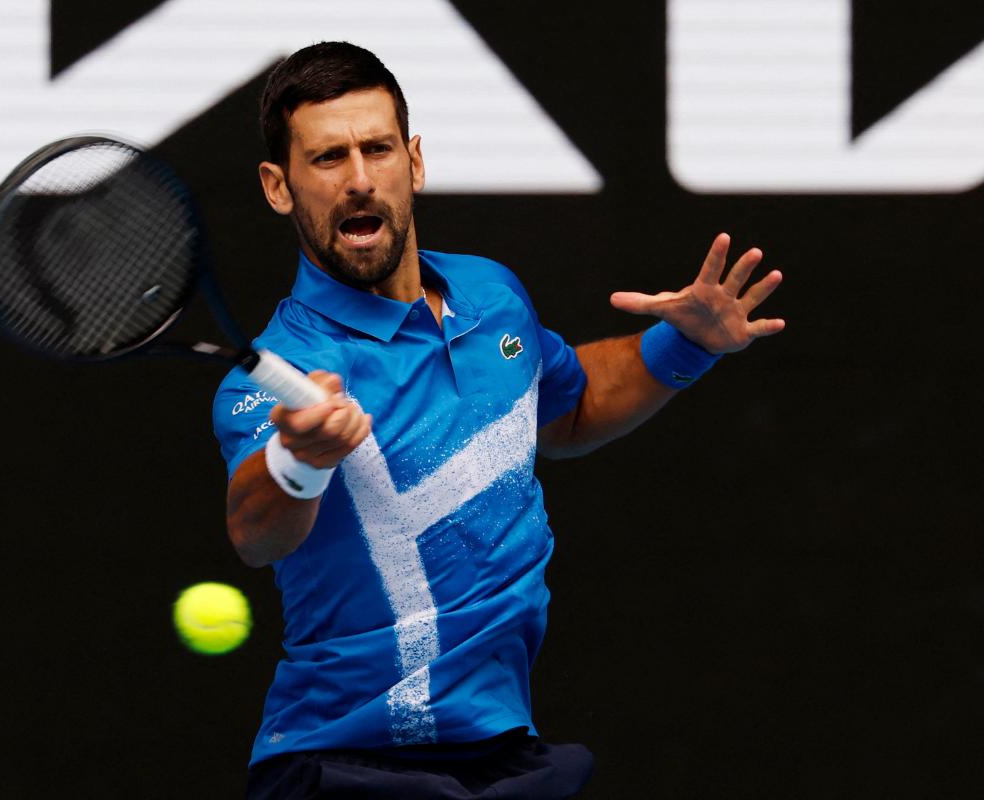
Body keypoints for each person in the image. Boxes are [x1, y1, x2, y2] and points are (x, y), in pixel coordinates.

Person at [212, 41, 784, 799]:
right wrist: (301, 457)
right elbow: (256, 531)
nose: (357, 180)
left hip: (501, 752)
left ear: (413, 162)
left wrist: (684, 345)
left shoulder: (491, 297)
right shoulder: (285, 368)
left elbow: (570, 405)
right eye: (326, 159)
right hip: (346, 762)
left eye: (376, 149)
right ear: (278, 187)